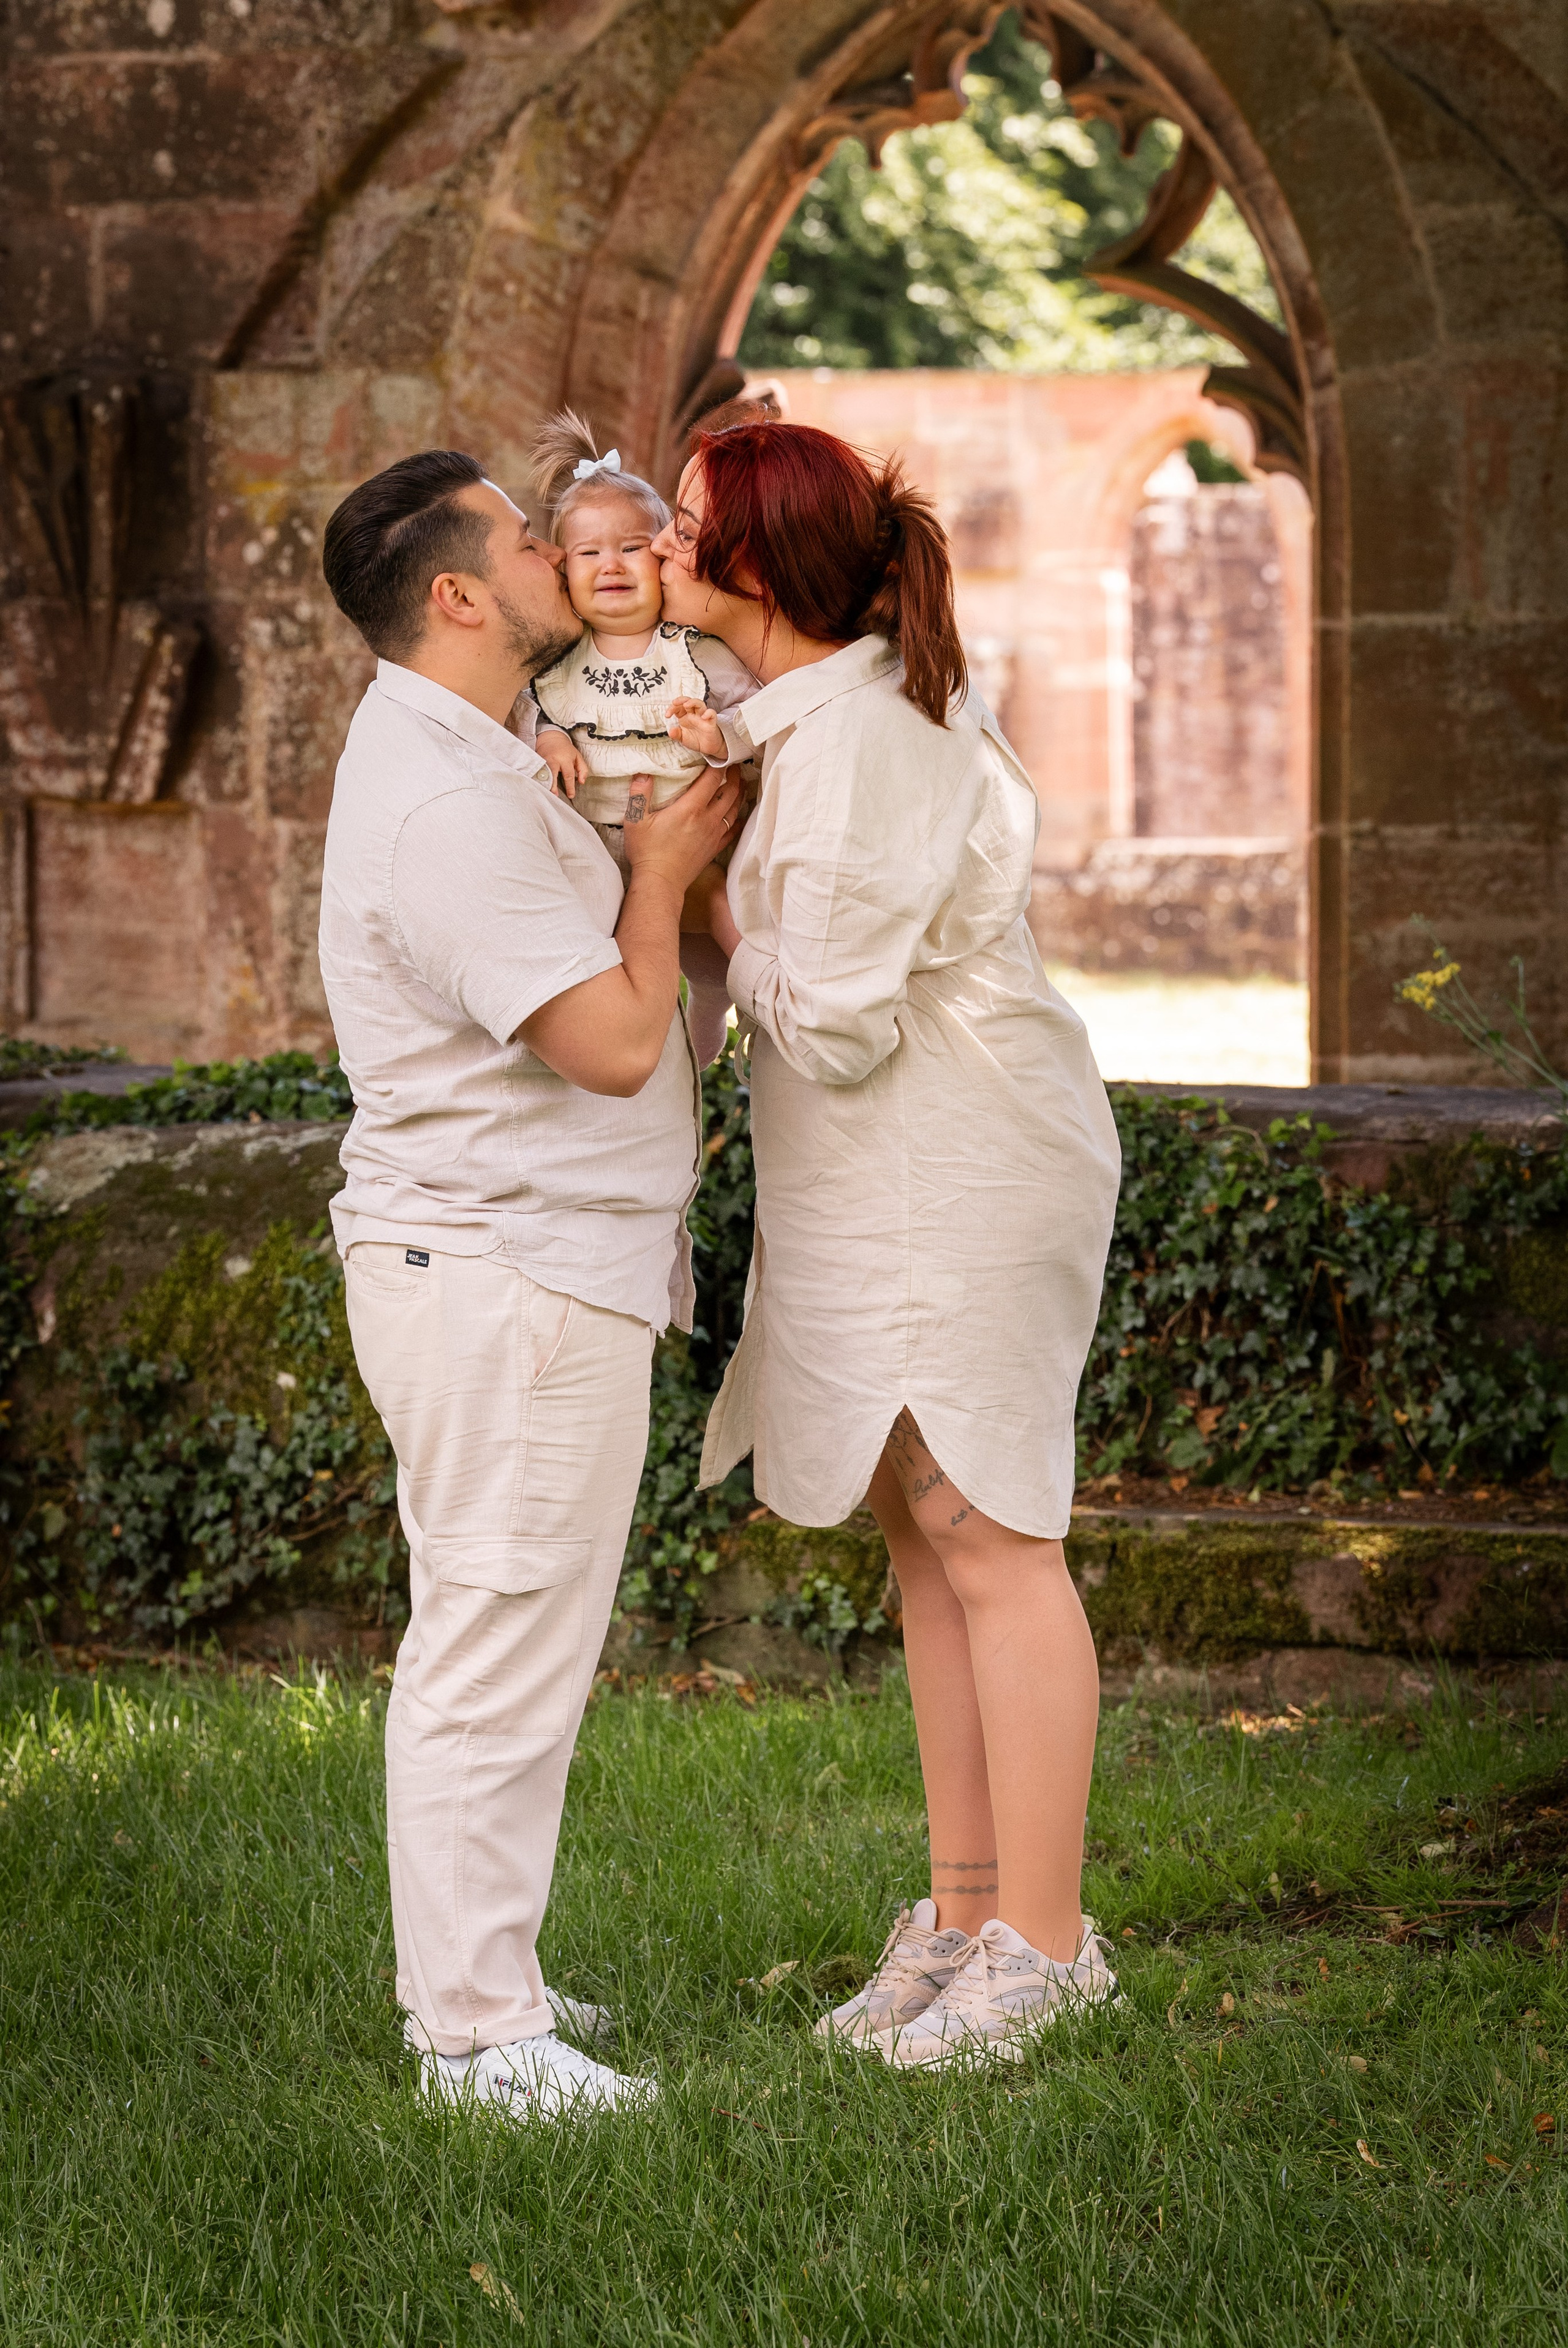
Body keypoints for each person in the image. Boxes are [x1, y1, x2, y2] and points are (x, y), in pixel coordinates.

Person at [655, 420, 1125, 2069]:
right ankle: (963, 1917)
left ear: (756, 560)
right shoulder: (808, 720)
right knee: (924, 1541)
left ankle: (1048, 1948)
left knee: (990, 1531)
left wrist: (707, 910)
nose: (661, 542)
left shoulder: (865, 738)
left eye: (685, 521)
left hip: (962, 1166)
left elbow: (840, 1020)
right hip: (877, 1176)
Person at [317, 448, 740, 2118]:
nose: (561, 546)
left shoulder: (475, 753)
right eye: (520, 535)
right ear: (458, 595)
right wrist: (662, 874)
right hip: (503, 1268)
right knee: (493, 1638)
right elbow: (616, 1042)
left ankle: (486, 1973)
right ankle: (477, 2038)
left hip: (525, 1260)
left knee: (516, 1633)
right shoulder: (446, 803)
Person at [520, 409, 756, 1066]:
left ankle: (733, 1002)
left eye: (631, 548)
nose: (612, 565)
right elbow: (532, 711)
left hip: (698, 839)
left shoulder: (693, 651)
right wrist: (549, 741)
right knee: (621, 957)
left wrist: (720, 736)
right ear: (563, 571)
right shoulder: (557, 661)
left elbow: (757, 712)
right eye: (589, 553)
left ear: (662, 558)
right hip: (597, 850)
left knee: (718, 935)